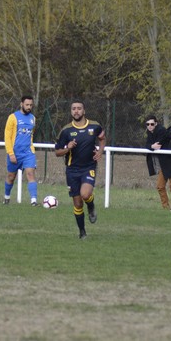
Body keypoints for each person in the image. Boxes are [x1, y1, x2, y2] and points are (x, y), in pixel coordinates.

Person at [54, 100, 106, 239]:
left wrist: (100, 151)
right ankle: (82, 232)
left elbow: (102, 138)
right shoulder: (66, 130)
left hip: (89, 167)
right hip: (72, 170)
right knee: (77, 203)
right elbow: (57, 152)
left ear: (84, 111)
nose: (76, 111)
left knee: (85, 194)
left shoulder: (94, 126)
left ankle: (91, 205)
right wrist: (68, 148)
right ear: (71, 112)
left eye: (79, 108)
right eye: (73, 109)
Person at [3, 95, 38, 206]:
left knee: (30, 174)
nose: (29, 107)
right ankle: (6, 198)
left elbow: (31, 135)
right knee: (11, 177)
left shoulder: (33, 118)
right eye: (27, 105)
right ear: (21, 104)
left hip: (28, 153)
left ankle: (33, 201)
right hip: (15, 153)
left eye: (31, 105)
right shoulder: (13, 117)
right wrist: (11, 153)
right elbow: (7, 137)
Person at [144, 115, 171, 210]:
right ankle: (165, 208)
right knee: (160, 186)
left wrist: (151, 146)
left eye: (152, 124)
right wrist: (151, 146)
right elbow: (148, 145)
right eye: (148, 124)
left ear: (156, 123)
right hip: (163, 164)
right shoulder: (150, 132)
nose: (149, 126)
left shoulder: (161, 130)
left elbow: (158, 145)